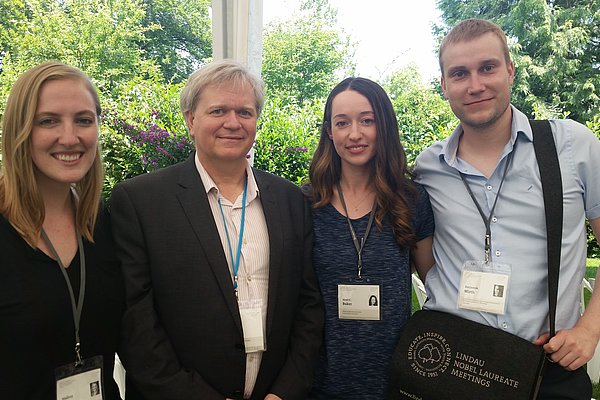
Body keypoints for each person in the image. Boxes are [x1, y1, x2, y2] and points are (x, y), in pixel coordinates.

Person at [110, 60, 324, 400]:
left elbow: (309, 304)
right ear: (191, 120)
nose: (232, 123)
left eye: (245, 112)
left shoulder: (289, 200)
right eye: (218, 110)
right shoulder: (141, 202)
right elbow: (135, 322)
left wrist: (285, 391)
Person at [415, 18, 600, 399]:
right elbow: (425, 256)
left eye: (488, 67)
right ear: (445, 85)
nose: (475, 85)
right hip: (455, 369)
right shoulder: (427, 167)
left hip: (548, 370)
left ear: (510, 70)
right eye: (460, 73)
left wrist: (589, 329)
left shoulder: (572, 146)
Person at [304, 77, 434, 399]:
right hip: (320, 382)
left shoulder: (412, 201)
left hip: (397, 382)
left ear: (384, 126)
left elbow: (435, 284)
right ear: (329, 132)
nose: (355, 134)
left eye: (367, 120)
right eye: (342, 122)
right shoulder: (306, 204)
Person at [0, 62, 124, 399]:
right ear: (19, 129)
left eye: (83, 120)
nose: (70, 137)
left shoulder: (105, 222)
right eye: (48, 121)